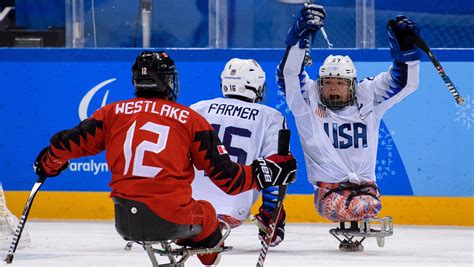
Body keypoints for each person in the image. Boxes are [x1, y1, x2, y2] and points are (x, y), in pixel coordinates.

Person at [33, 51, 297, 265]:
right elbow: (230, 180)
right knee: (206, 218)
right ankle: (205, 249)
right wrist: (268, 173)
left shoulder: (111, 113)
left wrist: (48, 162)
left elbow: (67, 143)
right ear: (168, 81)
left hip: (124, 220)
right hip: (175, 216)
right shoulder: (189, 118)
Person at [277, 5, 421, 226]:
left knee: (369, 206)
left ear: (352, 85)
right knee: (351, 208)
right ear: (320, 84)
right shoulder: (307, 100)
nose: (333, 88)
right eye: (328, 83)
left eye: (340, 83)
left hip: (366, 189)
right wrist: (299, 38)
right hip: (328, 192)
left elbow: (405, 82)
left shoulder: (368, 96)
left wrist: (406, 53)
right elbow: (288, 74)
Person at [191, 58, 288, 247]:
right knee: (281, 164)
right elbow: (275, 168)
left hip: (190, 209)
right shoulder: (270, 116)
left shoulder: (197, 108)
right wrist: (272, 216)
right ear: (256, 86)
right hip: (233, 212)